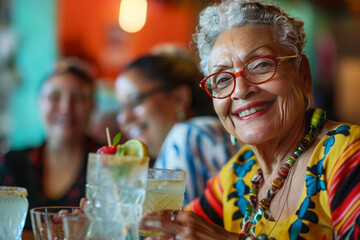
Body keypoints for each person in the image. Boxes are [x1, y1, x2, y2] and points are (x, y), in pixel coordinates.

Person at [139, 1, 360, 239]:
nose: (240, 90)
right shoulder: (236, 175)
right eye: (222, 79)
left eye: (261, 65)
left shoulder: (347, 155)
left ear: (302, 75)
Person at [115, 53, 237, 204]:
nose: (124, 117)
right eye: (121, 107)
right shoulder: (204, 131)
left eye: (135, 101)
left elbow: (170, 225)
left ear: (179, 98)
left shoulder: (188, 134)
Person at [0, 57, 101, 230]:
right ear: (39, 103)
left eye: (77, 97)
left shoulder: (110, 165)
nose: (65, 107)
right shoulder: (11, 163)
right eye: (54, 96)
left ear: (92, 106)